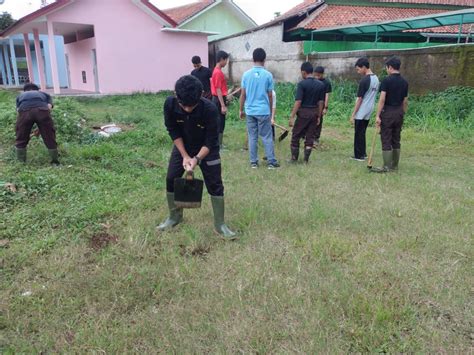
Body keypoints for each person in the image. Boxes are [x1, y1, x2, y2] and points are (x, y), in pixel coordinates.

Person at [158, 75, 236, 239]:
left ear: (201, 95)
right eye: (183, 105)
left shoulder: (210, 109)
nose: (187, 110)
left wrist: (197, 159)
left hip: (207, 148)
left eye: (191, 106)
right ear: (176, 95)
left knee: (215, 184)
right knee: (171, 178)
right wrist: (185, 156)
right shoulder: (170, 104)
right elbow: (173, 130)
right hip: (183, 146)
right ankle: (174, 217)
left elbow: (211, 140)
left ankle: (220, 224)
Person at [239, 48, 279, 169]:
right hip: (263, 111)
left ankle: (253, 162)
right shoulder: (268, 75)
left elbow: (243, 94)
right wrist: (271, 110)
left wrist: (241, 110)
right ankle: (271, 162)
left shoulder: (246, 75)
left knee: (252, 136)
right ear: (264, 60)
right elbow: (270, 95)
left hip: (250, 111)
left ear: (253, 59)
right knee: (266, 136)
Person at [371, 56, 409, 173]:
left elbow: (382, 99)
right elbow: (405, 101)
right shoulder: (404, 82)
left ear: (390, 67)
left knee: (386, 138)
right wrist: (403, 113)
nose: (386, 70)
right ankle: (394, 166)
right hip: (399, 112)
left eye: (387, 68)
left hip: (388, 112)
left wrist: (377, 115)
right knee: (396, 138)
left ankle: (386, 166)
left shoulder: (386, 80)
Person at [288, 62, 325, 163]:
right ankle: (305, 160)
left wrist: (292, 116)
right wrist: (319, 116)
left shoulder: (302, 84)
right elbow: (321, 102)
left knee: (296, 135)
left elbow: (298, 101)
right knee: (310, 136)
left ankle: (294, 158)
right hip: (314, 113)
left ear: (304, 72)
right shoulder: (320, 84)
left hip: (303, 113)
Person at [15, 83, 59, 165]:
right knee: (49, 136)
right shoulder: (43, 94)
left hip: (24, 111)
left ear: (25, 90)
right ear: (37, 90)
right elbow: (49, 107)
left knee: (21, 136)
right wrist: (43, 124)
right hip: (42, 110)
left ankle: (21, 163)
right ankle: (55, 162)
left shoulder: (20, 95)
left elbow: (18, 110)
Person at [350, 57, 380, 161]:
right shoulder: (376, 78)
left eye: (358, 69)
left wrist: (353, 113)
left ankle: (359, 155)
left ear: (363, 67)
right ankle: (363, 153)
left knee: (358, 132)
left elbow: (359, 99)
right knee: (362, 132)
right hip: (370, 108)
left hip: (362, 109)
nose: (358, 72)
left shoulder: (364, 80)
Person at [210, 50, 230, 149]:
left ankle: (219, 144)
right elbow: (218, 89)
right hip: (218, 100)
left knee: (221, 121)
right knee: (220, 122)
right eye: (226, 60)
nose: (226, 62)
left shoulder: (218, 71)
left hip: (219, 98)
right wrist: (222, 105)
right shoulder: (217, 72)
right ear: (222, 59)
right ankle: (218, 145)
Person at [313, 66, 332, 145]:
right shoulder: (314, 81)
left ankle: (316, 138)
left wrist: (325, 107)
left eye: (318, 75)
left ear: (322, 74)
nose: (317, 77)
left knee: (319, 121)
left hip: (321, 105)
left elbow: (327, 95)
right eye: (316, 75)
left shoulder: (326, 83)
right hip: (313, 104)